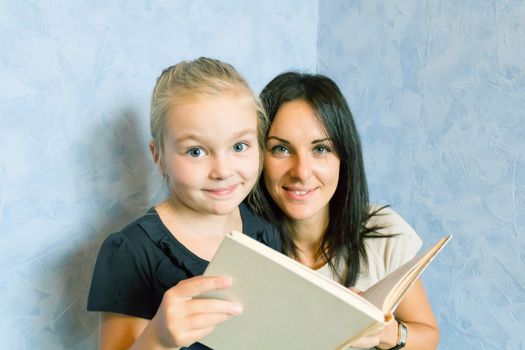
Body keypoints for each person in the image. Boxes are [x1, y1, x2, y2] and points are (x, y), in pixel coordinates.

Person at [87, 57, 281, 350]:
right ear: (159, 156)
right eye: (196, 151)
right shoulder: (130, 252)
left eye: (239, 146)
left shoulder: (267, 232)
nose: (223, 171)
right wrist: (158, 340)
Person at [257, 72, 440, 350]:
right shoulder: (240, 244)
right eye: (281, 149)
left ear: (344, 156)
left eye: (320, 149)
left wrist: (384, 333)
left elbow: (429, 337)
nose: (302, 172)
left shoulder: (383, 232)